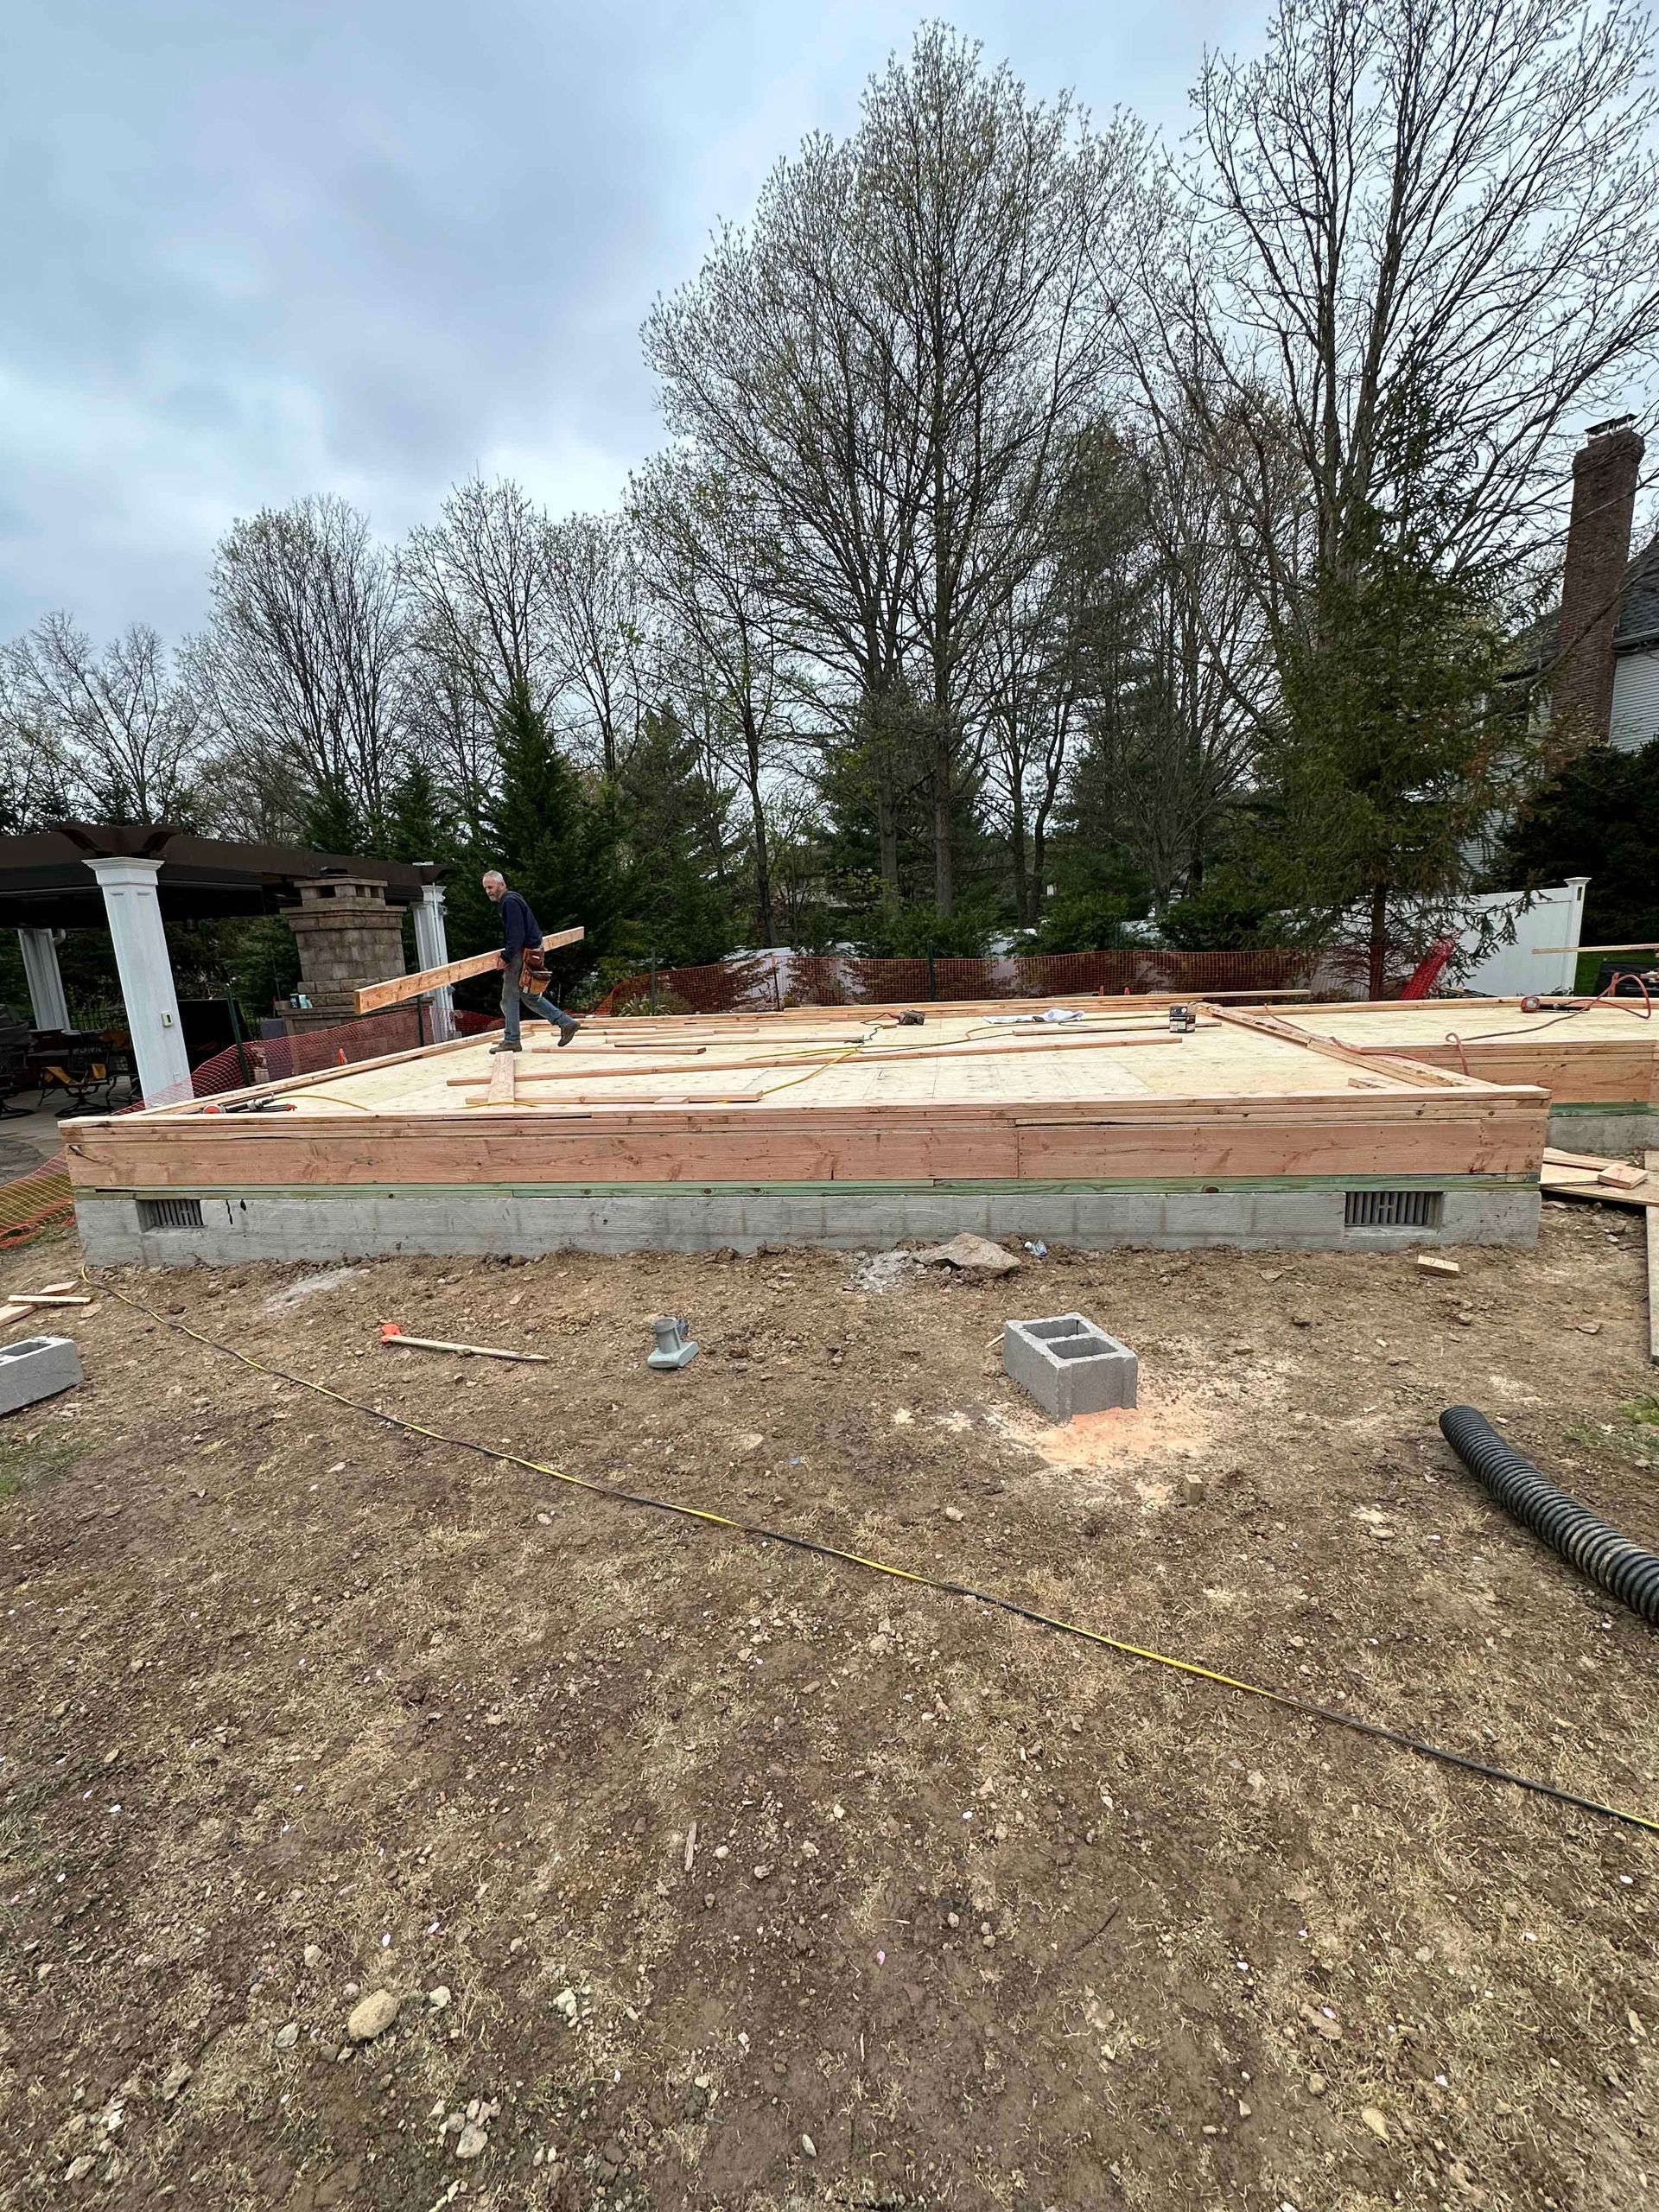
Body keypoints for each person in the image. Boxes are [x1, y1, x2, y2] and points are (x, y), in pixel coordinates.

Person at [481, 869, 582, 1052]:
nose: (488, 891)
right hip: (532, 951)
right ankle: (566, 1023)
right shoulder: (512, 899)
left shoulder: (509, 902)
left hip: (522, 953)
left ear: (502, 885)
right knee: (529, 996)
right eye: (486, 888)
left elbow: (516, 934)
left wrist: (506, 957)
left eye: (491, 886)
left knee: (509, 997)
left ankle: (512, 1039)